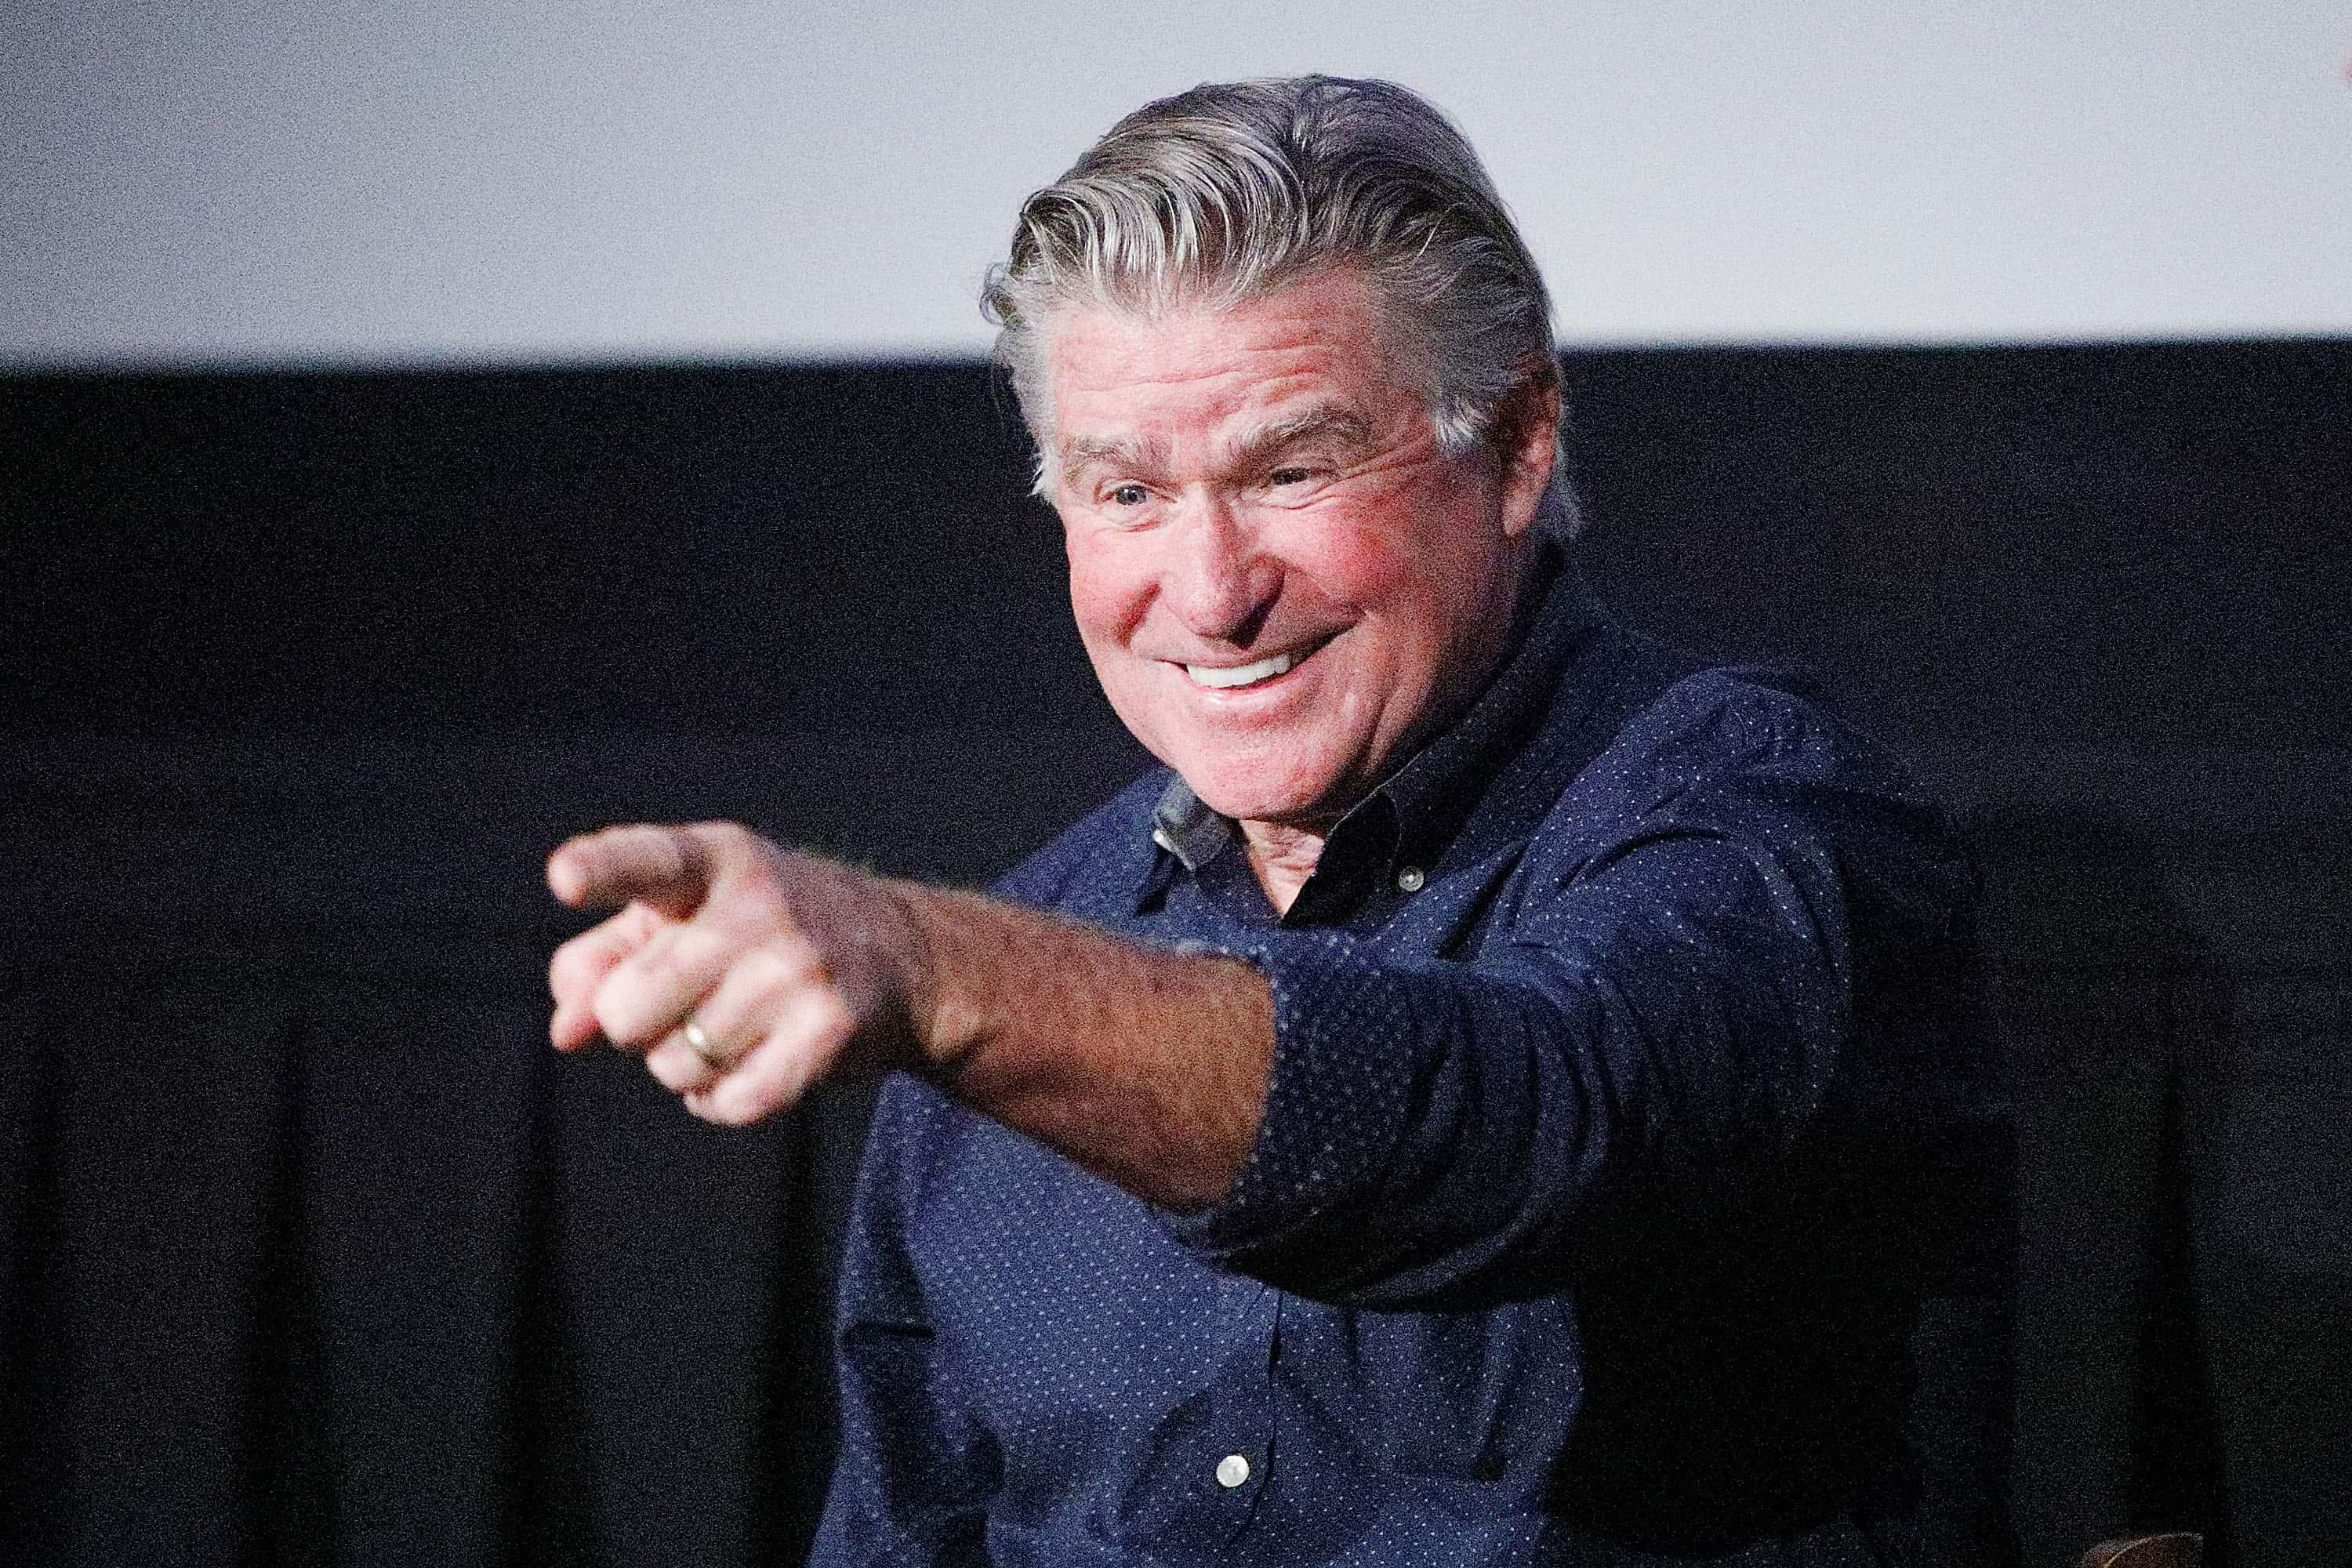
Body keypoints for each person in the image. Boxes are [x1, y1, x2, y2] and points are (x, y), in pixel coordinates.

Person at [545, 76, 2009, 1566]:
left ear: (1514, 446)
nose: (1208, 589)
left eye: (1291, 472)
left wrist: (947, 978)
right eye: (1125, 492)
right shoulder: (1014, 960)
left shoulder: (1754, 809)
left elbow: (1534, 1113)